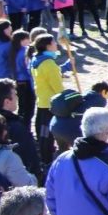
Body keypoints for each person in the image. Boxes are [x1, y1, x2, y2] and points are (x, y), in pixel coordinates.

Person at [30, 34, 64, 166]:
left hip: (42, 101)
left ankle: (45, 156)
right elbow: (58, 88)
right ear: (48, 46)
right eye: (54, 42)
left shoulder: (36, 60)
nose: (56, 44)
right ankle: (47, 159)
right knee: (47, 135)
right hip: (49, 103)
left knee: (43, 133)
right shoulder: (49, 63)